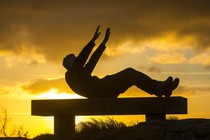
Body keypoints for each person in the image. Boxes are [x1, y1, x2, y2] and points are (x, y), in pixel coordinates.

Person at [63, 26, 179, 98]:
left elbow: (92, 61)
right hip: (102, 89)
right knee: (129, 73)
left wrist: (103, 43)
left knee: (130, 75)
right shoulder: (71, 75)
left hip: (104, 90)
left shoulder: (80, 73)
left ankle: (162, 88)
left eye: (75, 57)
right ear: (68, 65)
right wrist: (92, 41)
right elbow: (82, 59)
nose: (76, 58)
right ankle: (157, 87)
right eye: (72, 59)